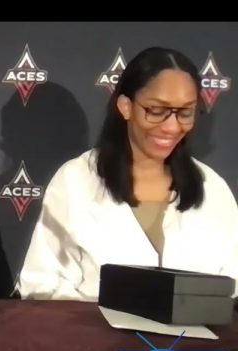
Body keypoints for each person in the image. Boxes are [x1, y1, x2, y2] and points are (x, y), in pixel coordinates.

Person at [17, 46, 238, 301]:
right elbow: (42, 284)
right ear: (126, 106)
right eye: (157, 110)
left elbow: (232, 286)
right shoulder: (76, 180)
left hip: (196, 341)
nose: (171, 126)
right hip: (93, 339)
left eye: (185, 112)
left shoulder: (212, 187)